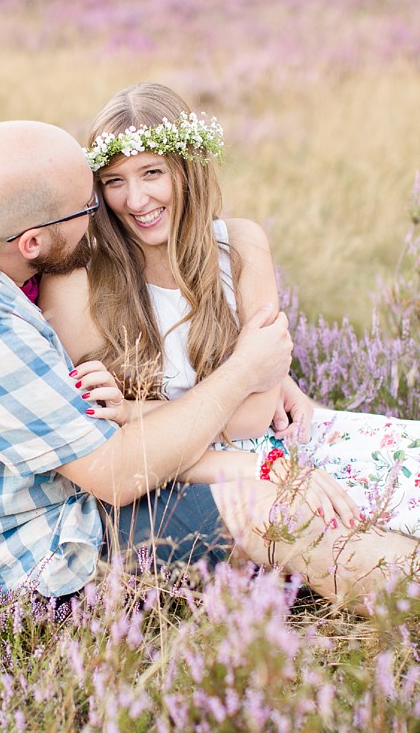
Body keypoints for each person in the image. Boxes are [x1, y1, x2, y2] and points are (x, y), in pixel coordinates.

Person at [0, 119, 417, 612]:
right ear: (31, 242)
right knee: (269, 512)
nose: (111, 213)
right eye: (90, 205)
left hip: (49, 498)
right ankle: (405, 598)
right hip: (21, 559)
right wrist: (246, 380)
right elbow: (118, 473)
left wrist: (263, 403)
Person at [40, 82, 420, 540]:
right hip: (187, 473)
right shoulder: (78, 281)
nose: (136, 200)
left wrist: (135, 411)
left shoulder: (240, 246)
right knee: (365, 537)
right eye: (115, 181)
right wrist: (249, 382)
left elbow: (255, 417)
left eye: (152, 173)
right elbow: (100, 443)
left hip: (286, 443)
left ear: (187, 170)